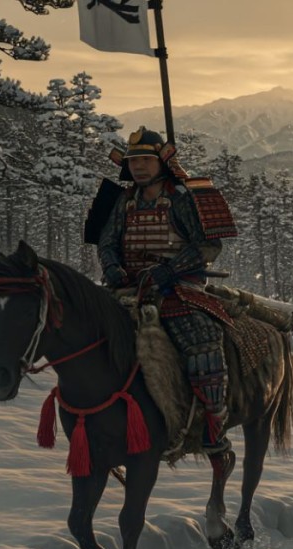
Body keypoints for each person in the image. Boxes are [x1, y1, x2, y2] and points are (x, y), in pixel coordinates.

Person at [96, 127, 237, 456]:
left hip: (178, 285)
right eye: (133, 161)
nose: (139, 167)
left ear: (161, 162)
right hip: (128, 285)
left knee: (201, 336)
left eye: (146, 159)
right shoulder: (122, 200)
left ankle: (213, 417)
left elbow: (207, 245)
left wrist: (169, 270)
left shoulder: (181, 198)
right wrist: (112, 267)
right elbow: (107, 241)